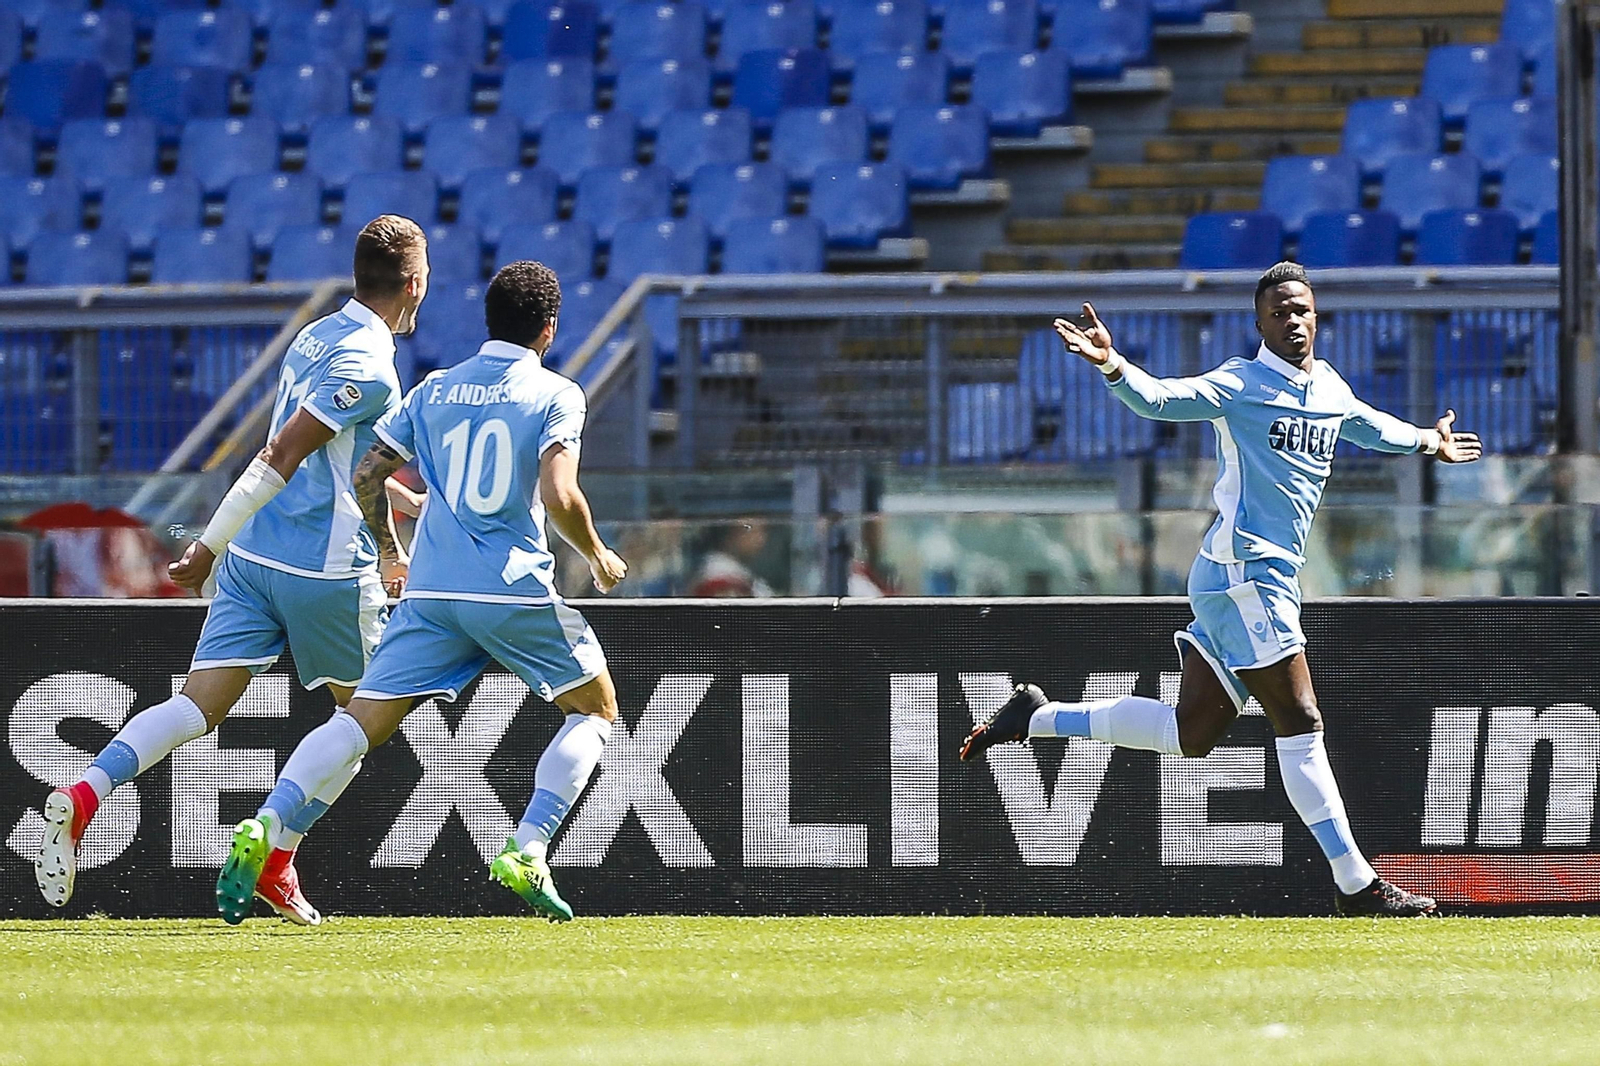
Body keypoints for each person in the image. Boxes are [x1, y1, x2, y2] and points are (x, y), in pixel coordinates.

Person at [960, 262, 1483, 917]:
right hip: (1244, 573)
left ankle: (1032, 716)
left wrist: (1429, 442)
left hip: (1246, 578)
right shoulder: (1241, 382)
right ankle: (1358, 886)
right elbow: (1160, 400)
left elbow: (1369, 426)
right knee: (1300, 719)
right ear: (1259, 322)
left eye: (1303, 310)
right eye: (1280, 313)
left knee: (1192, 735)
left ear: (1316, 316)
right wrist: (1113, 366)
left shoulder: (1326, 387)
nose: (1294, 321)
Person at [35, 216, 430, 924]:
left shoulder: (318, 334)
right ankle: (275, 847)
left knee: (197, 705)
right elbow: (281, 453)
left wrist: (398, 501)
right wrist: (205, 545)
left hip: (255, 559)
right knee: (360, 723)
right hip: (323, 570)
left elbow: (337, 460)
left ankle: (85, 794)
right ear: (414, 283)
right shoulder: (370, 365)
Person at [213, 260, 628, 925]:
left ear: (486, 321)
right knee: (595, 710)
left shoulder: (435, 389)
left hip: (431, 595)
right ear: (548, 331)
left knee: (358, 722)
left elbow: (371, 471)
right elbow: (559, 494)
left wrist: (388, 551)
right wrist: (598, 553)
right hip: (510, 592)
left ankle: (267, 820)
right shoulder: (556, 393)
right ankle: (528, 845)